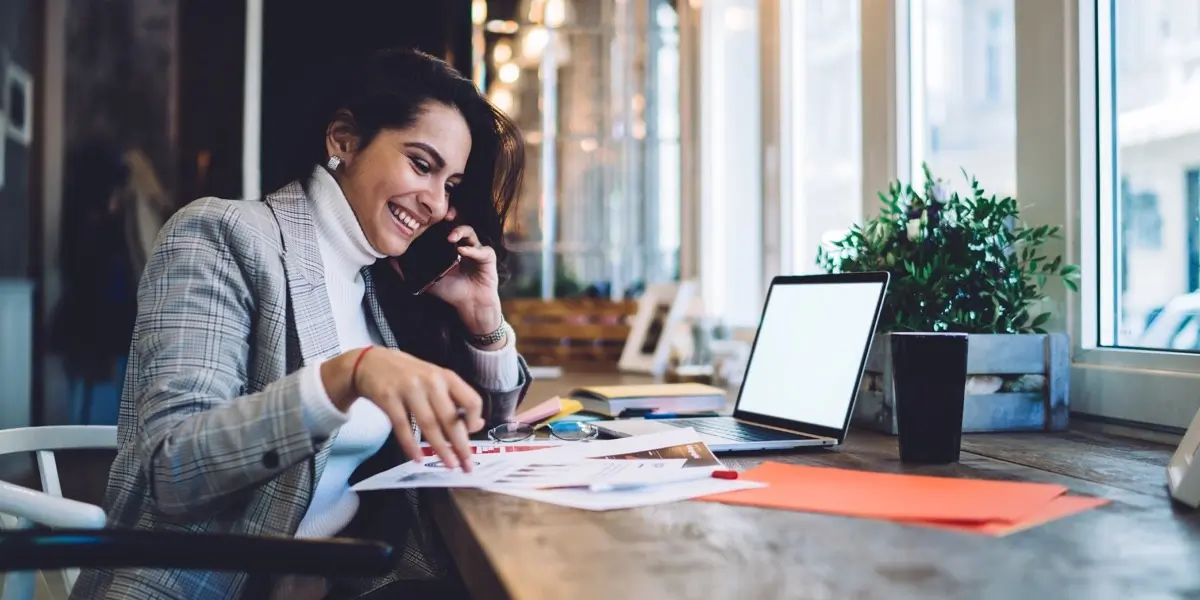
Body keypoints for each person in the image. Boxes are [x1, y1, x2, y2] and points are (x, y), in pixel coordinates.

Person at [70, 48, 531, 599]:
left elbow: (480, 429)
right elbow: (172, 470)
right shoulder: (223, 235)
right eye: (421, 164)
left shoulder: (376, 285)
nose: (436, 203)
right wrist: (346, 375)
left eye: (450, 185)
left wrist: (484, 321)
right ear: (342, 140)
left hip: (345, 580)